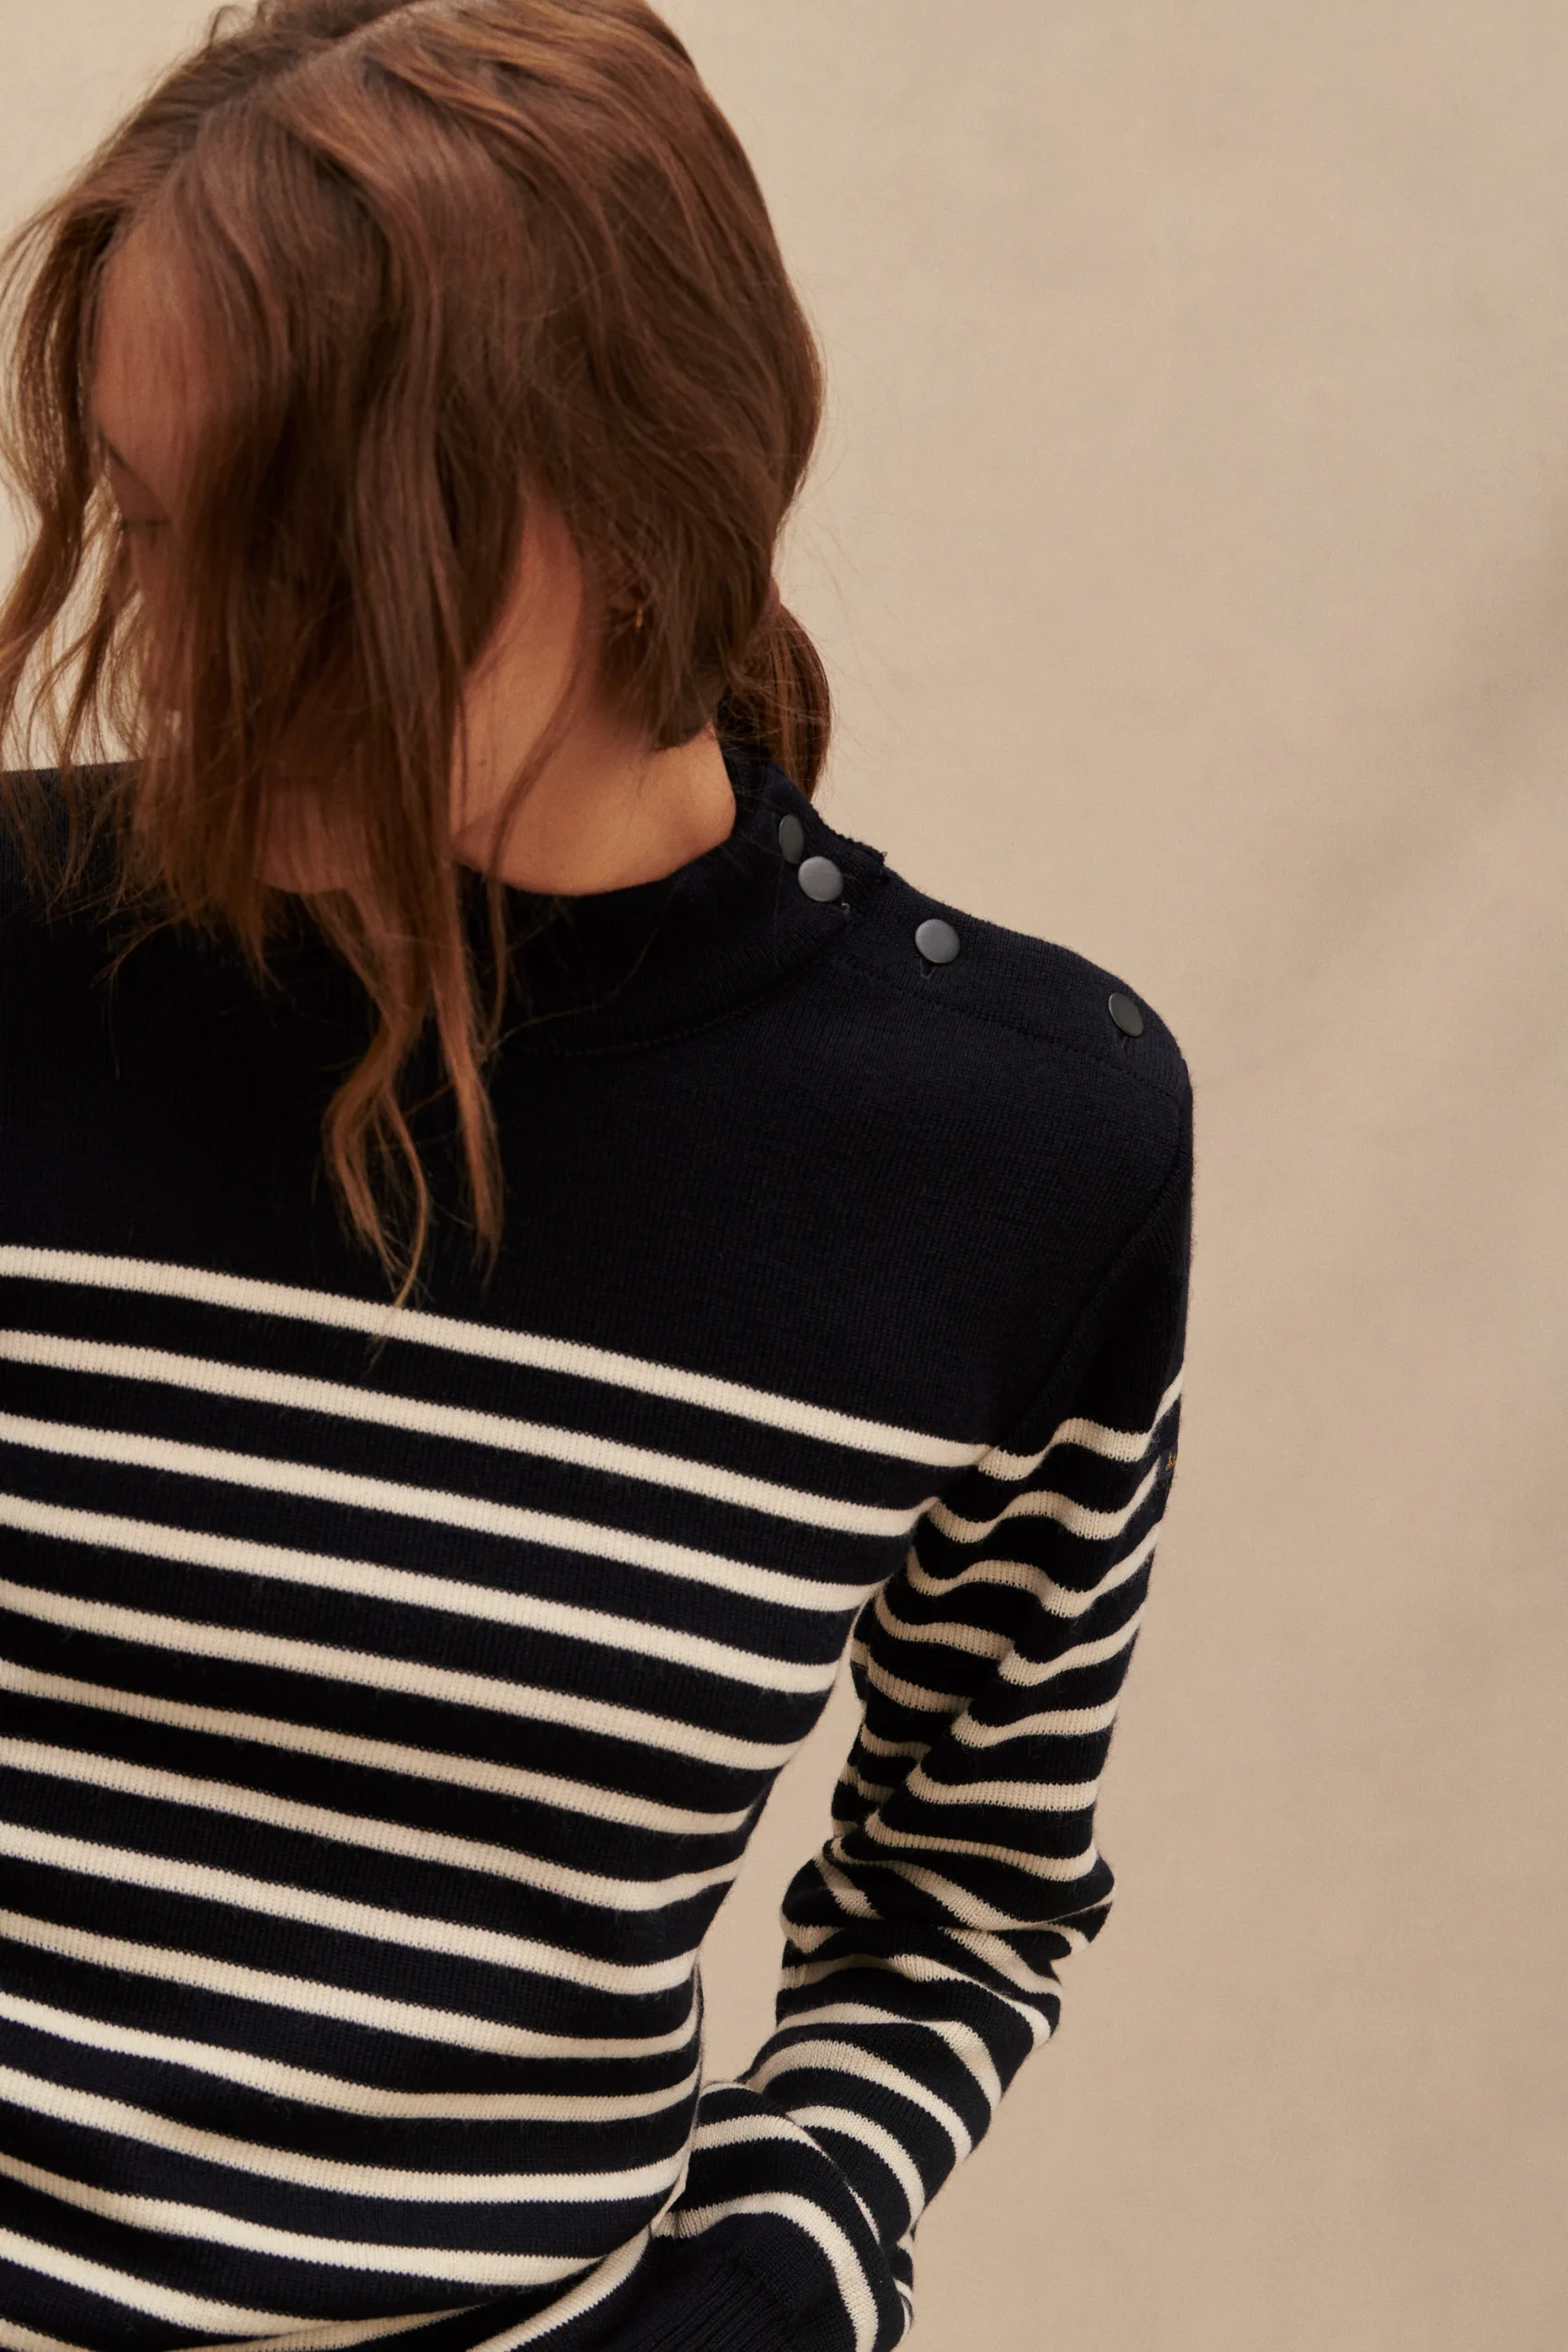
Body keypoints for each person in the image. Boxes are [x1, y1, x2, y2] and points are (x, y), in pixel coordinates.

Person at [0, 4, 1193, 2350]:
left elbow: (965, 1891)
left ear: (644, 495)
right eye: (147, 525)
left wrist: (763, 2290)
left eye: (307, 559)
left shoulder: (1024, 1140)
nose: (194, 659)